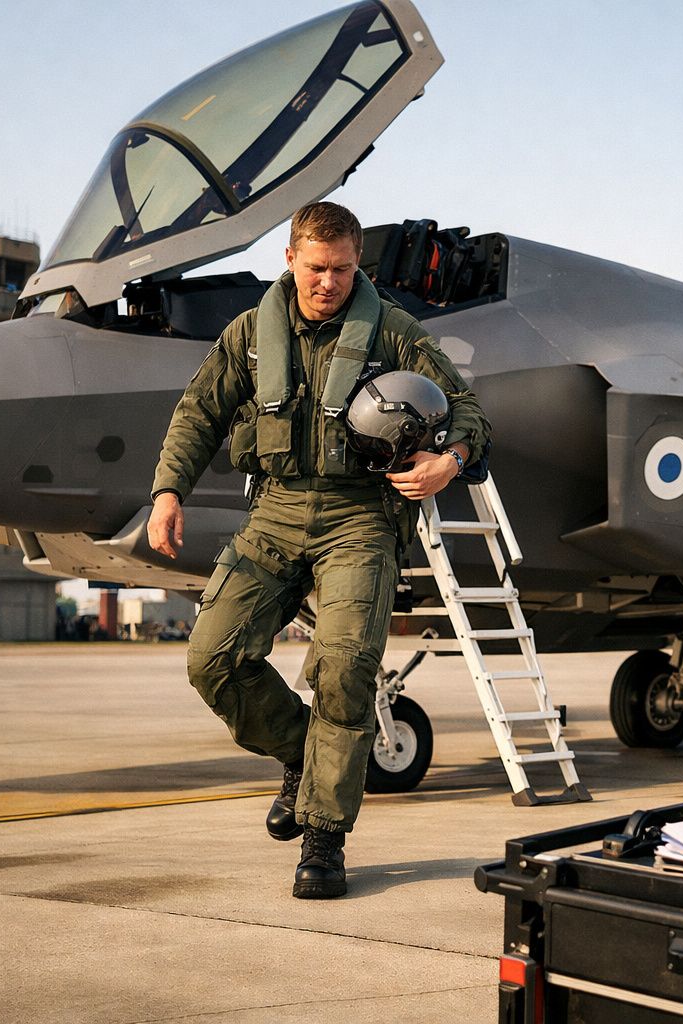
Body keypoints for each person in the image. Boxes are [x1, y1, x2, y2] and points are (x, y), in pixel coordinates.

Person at [147, 201, 489, 899]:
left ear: (355, 264)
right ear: (290, 260)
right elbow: (199, 412)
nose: (328, 283)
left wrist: (447, 462)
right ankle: (304, 757)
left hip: (359, 518)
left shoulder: (392, 332)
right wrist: (167, 491)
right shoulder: (249, 335)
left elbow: (470, 411)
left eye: (340, 270)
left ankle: (324, 840)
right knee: (212, 658)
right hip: (275, 510)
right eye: (315, 269)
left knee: (344, 669)